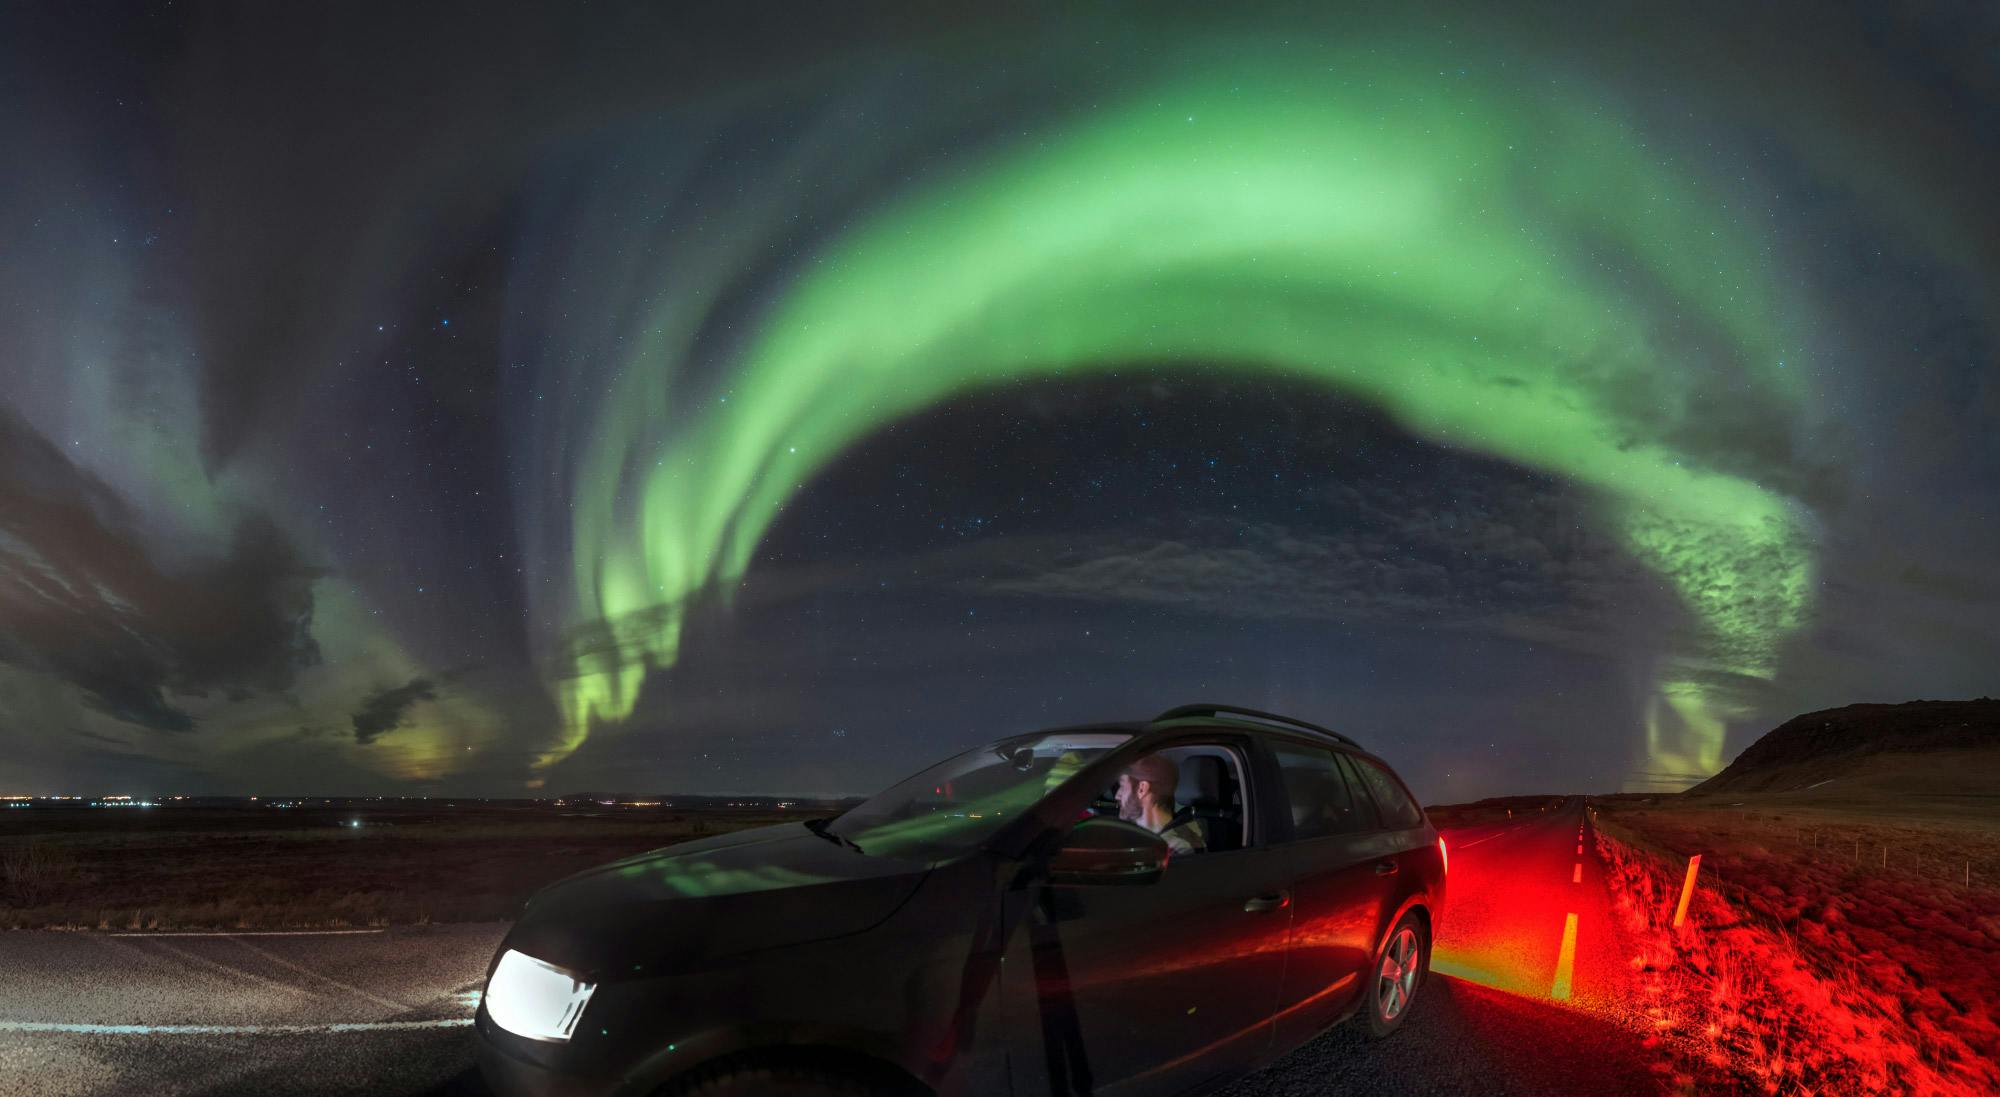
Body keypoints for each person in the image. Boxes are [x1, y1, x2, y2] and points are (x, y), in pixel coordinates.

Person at [1115, 754, 1207, 854]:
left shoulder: (1180, 849)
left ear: (1142, 789)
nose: (1117, 795)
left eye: (1122, 786)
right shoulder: (1147, 839)